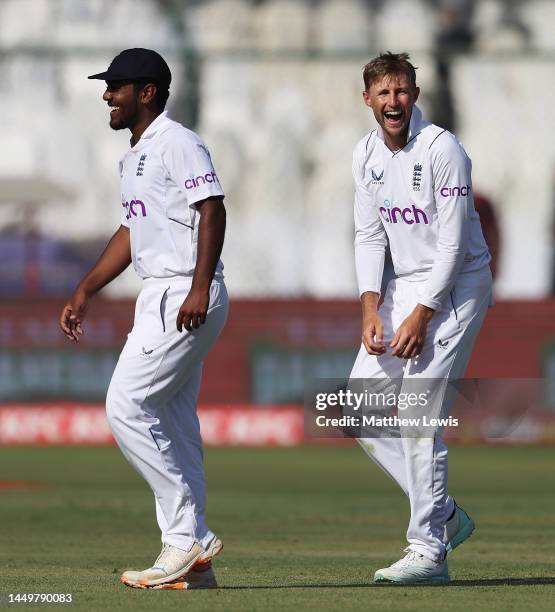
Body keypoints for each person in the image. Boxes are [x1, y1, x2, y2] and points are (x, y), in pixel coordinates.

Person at [59, 48, 228, 590]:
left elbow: (212, 208)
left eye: (117, 86)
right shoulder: (132, 157)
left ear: (147, 92)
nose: (107, 95)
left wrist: (199, 285)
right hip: (160, 291)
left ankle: (186, 537)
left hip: (183, 289)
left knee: (125, 405)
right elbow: (133, 232)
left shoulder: (176, 142)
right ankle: (194, 563)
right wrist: (87, 287)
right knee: (175, 422)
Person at [350, 52, 492, 584]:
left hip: (456, 286)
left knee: (416, 415)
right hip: (403, 283)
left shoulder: (442, 149)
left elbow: (454, 246)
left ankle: (428, 550)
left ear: (415, 93)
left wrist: (422, 315)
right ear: (367, 99)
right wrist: (371, 306)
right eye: (383, 94)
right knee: (358, 409)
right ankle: (446, 515)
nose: (393, 103)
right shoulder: (365, 154)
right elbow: (368, 235)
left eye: (402, 92)